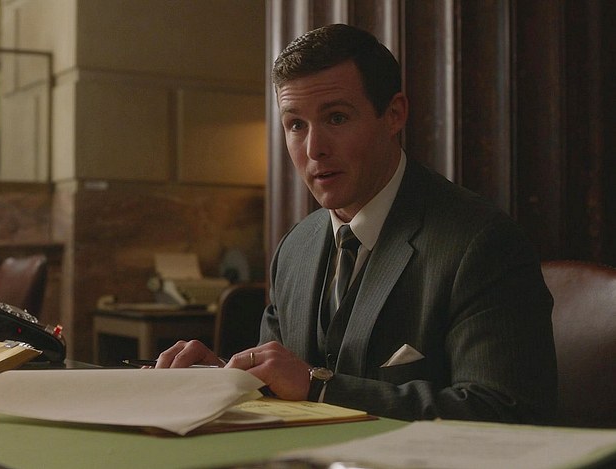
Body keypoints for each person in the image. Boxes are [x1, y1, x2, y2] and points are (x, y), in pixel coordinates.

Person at [154, 24, 557, 424]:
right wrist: (223, 378)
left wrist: (321, 387)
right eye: (296, 125)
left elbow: (504, 410)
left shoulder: (481, 241)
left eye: (336, 117)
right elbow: (279, 387)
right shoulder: (294, 248)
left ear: (394, 115)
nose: (314, 149)